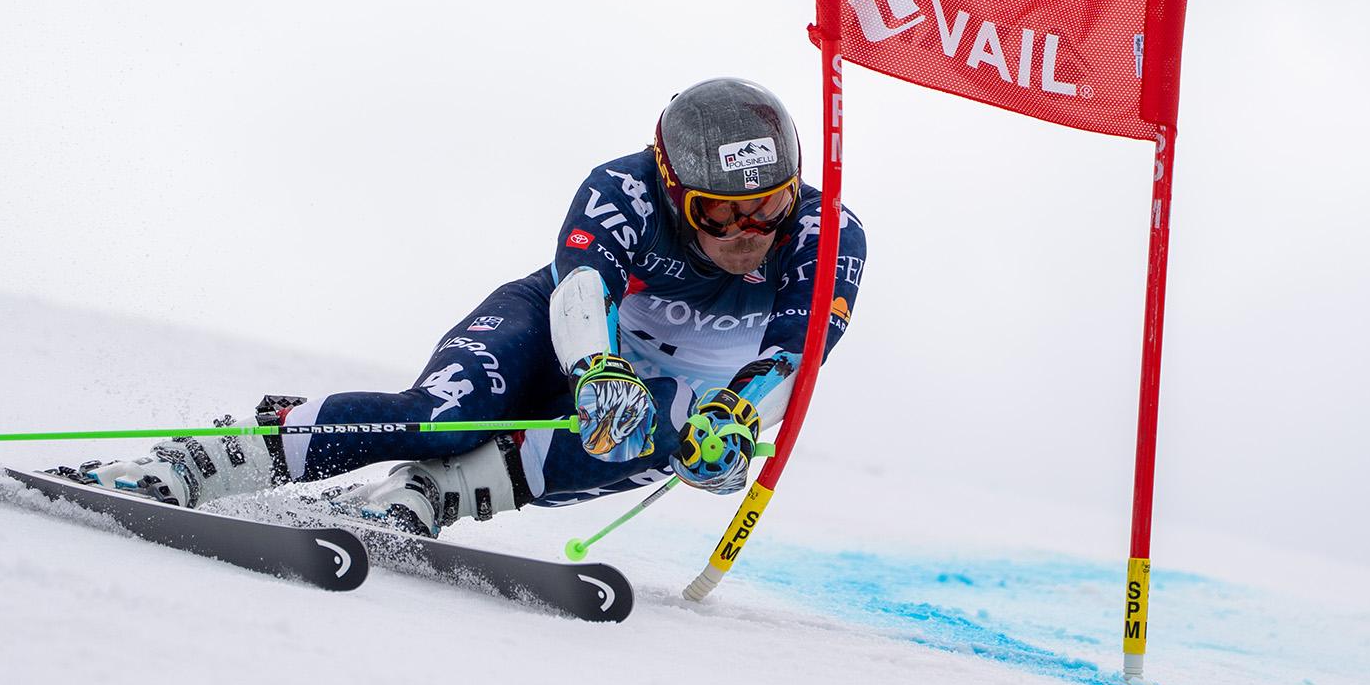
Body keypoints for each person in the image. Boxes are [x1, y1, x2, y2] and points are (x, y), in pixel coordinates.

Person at [60, 77, 867, 536]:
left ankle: (428, 495)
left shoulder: (827, 235)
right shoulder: (621, 187)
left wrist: (737, 419)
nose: (749, 233)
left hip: (681, 395)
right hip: (563, 332)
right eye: (719, 213)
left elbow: (794, 355)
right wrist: (596, 366)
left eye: (769, 205)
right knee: (445, 418)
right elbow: (581, 290)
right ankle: (205, 460)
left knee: (676, 427)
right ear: (671, 185)